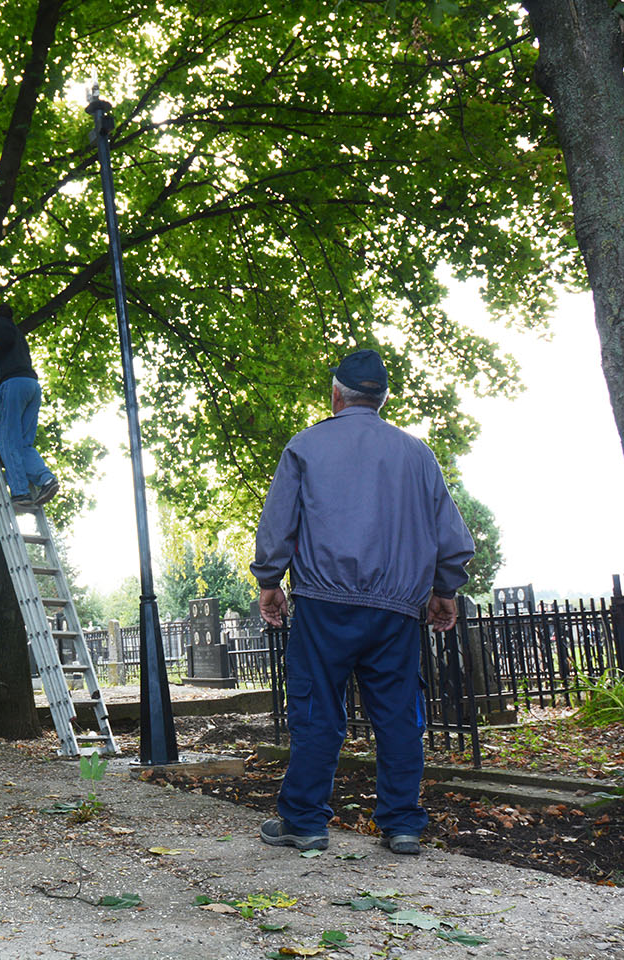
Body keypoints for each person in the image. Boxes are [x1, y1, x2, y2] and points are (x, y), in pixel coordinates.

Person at [250, 349, 474, 856]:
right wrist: (445, 590)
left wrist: (270, 580)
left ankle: (305, 821)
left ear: (336, 393)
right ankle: (402, 824)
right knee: (397, 716)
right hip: (395, 609)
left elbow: (279, 522)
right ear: (382, 398)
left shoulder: (305, 447)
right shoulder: (417, 454)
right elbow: (450, 535)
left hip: (324, 604)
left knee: (315, 710)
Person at [0, 303, 60, 508]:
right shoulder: (20, 337)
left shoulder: (2, 325)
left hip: (13, 385)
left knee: (8, 442)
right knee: (23, 444)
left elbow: (1, 340)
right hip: (31, 386)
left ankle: (21, 493)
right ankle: (46, 480)